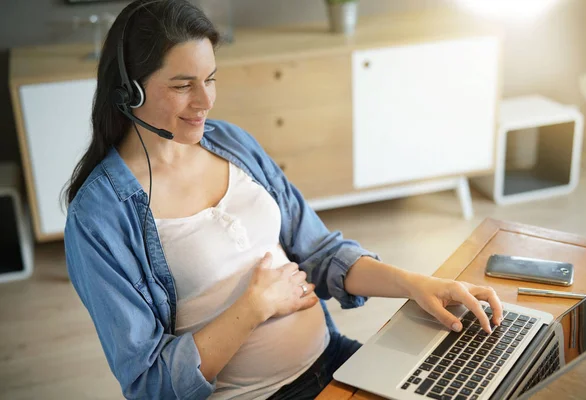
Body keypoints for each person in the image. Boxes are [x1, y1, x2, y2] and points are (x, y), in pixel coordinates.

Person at [63, 1, 504, 399]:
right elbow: (150, 386)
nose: (205, 101)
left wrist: (415, 284)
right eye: (183, 85)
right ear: (129, 90)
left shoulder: (230, 142)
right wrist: (256, 305)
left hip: (334, 359)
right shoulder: (99, 217)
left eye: (210, 79)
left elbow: (320, 252)